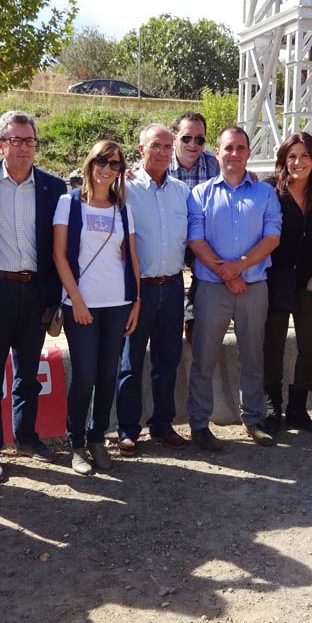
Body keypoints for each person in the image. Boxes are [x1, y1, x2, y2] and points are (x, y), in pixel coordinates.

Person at [0, 110, 67, 483]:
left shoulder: (54, 187)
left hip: (35, 292)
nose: (24, 148)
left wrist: (55, 297)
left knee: (27, 374)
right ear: (0, 144)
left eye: (30, 141)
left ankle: (26, 437)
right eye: (16, 140)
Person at [186, 126, 281, 449]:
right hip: (212, 288)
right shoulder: (200, 193)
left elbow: (272, 237)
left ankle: (253, 419)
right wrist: (227, 273)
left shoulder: (265, 193)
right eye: (229, 148)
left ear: (249, 153)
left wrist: (239, 267)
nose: (235, 154)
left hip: (254, 288)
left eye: (241, 148)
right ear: (218, 151)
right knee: (204, 357)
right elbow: (195, 239)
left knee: (253, 355)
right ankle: (199, 424)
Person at [52, 140, 141, 475]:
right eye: (102, 160)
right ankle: (76, 443)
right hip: (82, 304)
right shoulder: (69, 203)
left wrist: (137, 301)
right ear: (91, 162)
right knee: (86, 374)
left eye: (115, 164)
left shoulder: (124, 208)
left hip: (117, 303)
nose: (107, 168)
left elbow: (131, 256)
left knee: (108, 375)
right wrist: (75, 299)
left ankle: (97, 437)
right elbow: (59, 254)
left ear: (120, 171)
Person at [115, 124, 191, 455]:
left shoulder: (181, 192)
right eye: (155, 145)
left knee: (168, 360)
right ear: (140, 148)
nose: (161, 151)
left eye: (167, 146)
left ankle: (162, 424)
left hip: (173, 286)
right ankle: (127, 429)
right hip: (137, 290)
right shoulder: (125, 188)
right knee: (130, 362)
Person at [262, 132, 312, 435]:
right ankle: (271, 406)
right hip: (275, 278)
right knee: (272, 344)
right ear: (283, 160)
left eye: (304, 156)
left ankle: (297, 408)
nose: (298, 162)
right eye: (291, 156)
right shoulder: (269, 190)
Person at [170, 112, 220, 342]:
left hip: (203, 234)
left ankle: (192, 315)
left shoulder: (213, 164)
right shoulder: (160, 162)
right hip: (170, 235)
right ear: (174, 138)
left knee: (210, 262)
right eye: (186, 138)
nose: (193, 144)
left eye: (199, 139)